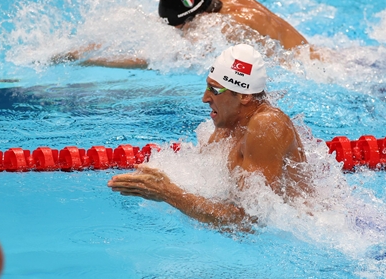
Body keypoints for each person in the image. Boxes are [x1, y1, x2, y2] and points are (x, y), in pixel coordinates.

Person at [108, 44, 309, 228]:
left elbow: (249, 222)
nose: (205, 98)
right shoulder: (227, 125)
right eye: (207, 86)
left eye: (214, 90)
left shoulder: (267, 125)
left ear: (244, 96)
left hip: (302, 231)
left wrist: (167, 192)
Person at [56, 0, 315, 68]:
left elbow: (158, 60)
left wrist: (90, 58)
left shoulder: (226, 27)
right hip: (311, 52)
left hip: (308, 64)